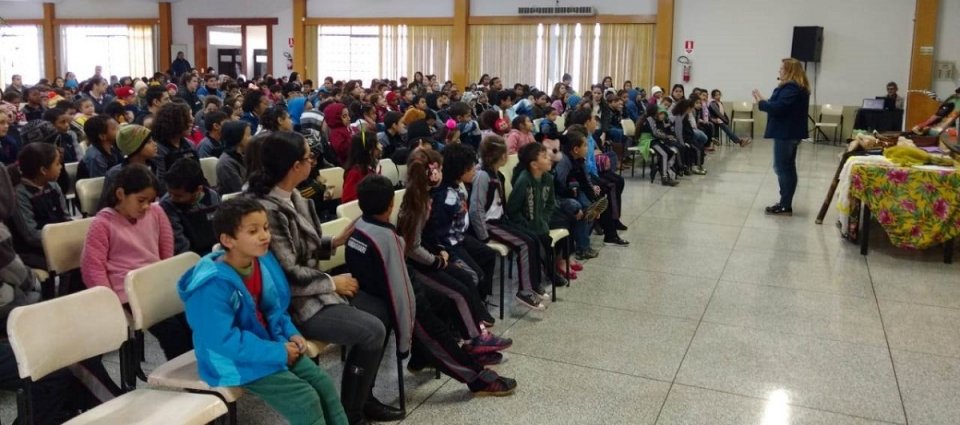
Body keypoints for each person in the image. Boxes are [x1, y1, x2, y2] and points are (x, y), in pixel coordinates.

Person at [246, 131, 403, 424]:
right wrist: (333, 283)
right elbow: (286, 271)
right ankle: (352, 413)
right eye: (309, 157)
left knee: (384, 309)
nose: (313, 161)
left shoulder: (294, 196)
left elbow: (300, 246)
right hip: (290, 302)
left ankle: (362, 396)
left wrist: (334, 242)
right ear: (294, 166)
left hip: (312, 285)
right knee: (373, 330)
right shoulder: (265, 208)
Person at [178, 197, 348, 425]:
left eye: (266, 228)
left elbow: (274, 308)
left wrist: (291, 333)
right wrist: (278, 352)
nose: (265, 236)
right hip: (232, 360)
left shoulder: (261, 260)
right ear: (228, 240)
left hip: (269, 344)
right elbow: (224, 341)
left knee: (322, 384)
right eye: (253, 231)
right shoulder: (210, 286)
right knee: (303, 399)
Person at [349, 174, 518, 396]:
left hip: (386, 288)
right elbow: (400, 291)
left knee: (445, 300)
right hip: (397, 300)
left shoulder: (359, 225)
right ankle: (477, 378)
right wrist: (405, 335)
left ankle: (421, 358)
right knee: (436, 333)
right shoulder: (388, 238)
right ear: (391, 204)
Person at [81, 164, 194, 360]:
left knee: (193, 318)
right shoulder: (102, 224)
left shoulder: (156, 213)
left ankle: (204, 366)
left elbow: (165, 251)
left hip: (155, 284)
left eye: (150, 201)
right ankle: (187, 374)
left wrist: (166, 279)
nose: (146, 207)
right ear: (120, 194)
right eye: (141, 200)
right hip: (126, 292)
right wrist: (110, 303)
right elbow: (93, 269)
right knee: (172, 331)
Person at [469, 136, 547, 309]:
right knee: (523, 245)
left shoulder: (496, 173)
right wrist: (483, 236)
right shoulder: (482, 176)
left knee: (532, 238)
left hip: (500, 220)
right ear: (499, 156)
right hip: (489, 225)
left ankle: (533, 284)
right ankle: (524, 291)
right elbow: (476, 209)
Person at [753, 57, 811, 216]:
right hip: (789, 132)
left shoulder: (792, 87)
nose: (779, 71)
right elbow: (779, 105)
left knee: (782, 168)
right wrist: (765, 101)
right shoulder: (797, 87)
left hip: (786, 133)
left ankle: (785, 204)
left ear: (790, 71)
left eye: (782, 69)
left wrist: (761, 102)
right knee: (787, 167)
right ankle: (785, 202)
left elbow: (778, 108)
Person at [12, 142, 70, 269]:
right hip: (33, 250)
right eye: (57, 164)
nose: (60, 167)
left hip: (58, 241)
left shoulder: (54, 186)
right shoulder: (20, 195)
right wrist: (61, 240)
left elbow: (66, 217)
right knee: (67, 260)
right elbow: (31, 235)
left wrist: (70, 234)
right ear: (43, 170)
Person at [161, 158, 221, 255]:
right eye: (169, 192)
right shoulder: (167, 205)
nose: (171, 198)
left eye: (178, 196)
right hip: (190, 258)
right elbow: (180, 245)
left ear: (198, 190)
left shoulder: (213, 196)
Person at [153, 102, 199, 179]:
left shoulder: (190, 145)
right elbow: (161, 181)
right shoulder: (157, 149)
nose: (192, 122)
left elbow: (198, 174)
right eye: (187, 120)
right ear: (175, 123)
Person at [341, 130, 380, 203]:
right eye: (377, 143)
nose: (380, 146)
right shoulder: (354, 172)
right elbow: (347, 200)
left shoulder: (374, 166)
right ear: (370, 150)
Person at [216, 120, 251, 195]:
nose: (251, 138)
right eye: (248, 135)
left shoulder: (244, 155)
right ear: (238, 137)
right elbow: (239, 191)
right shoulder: (225, 164)